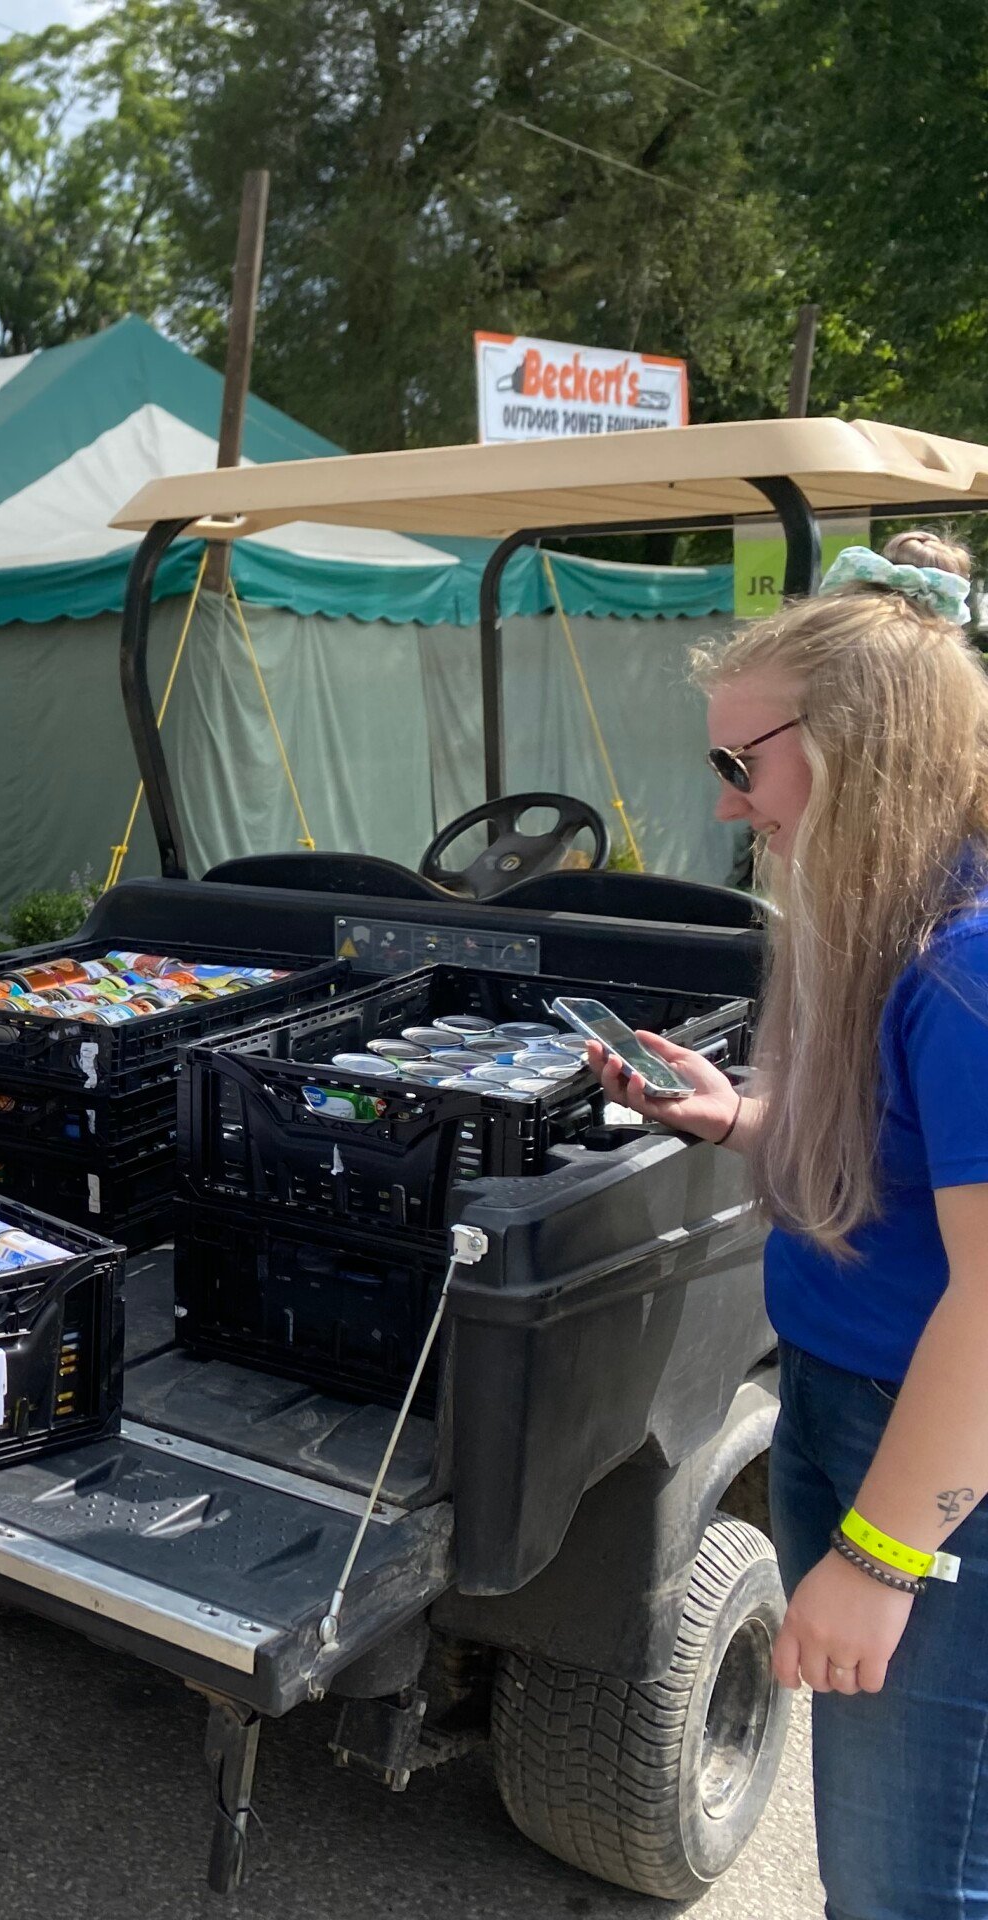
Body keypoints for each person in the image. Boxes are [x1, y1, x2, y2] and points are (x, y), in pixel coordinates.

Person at [592, 531, 988, 1919]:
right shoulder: (902, 922)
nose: (727, 807)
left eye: (738, 765)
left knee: (908, 1879)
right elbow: (909, 1165)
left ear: (853, 747)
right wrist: (742, 1116)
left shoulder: (969, 967)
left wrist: (884, 1559)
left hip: (931, 1467)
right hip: (847, 1403)